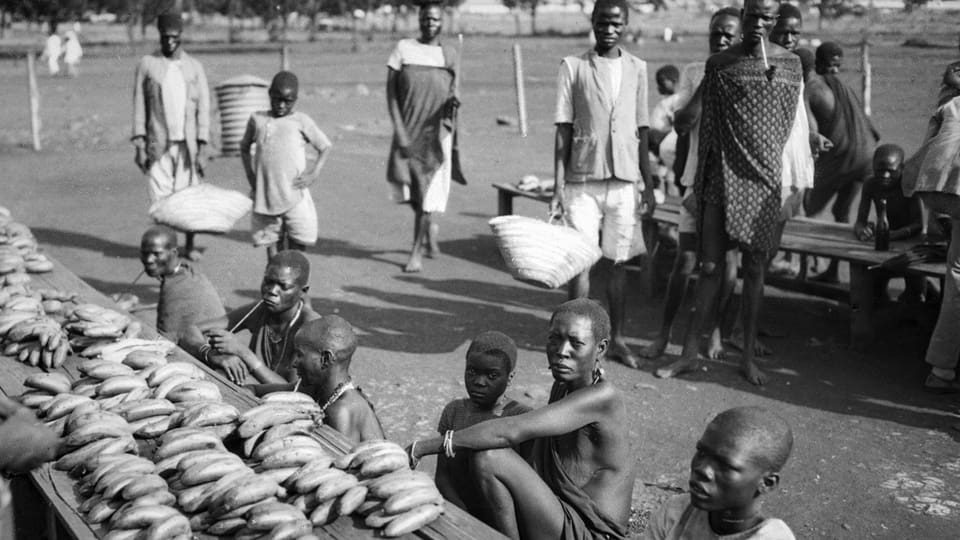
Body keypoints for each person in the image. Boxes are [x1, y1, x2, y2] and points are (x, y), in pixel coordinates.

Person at [658, 0, 805, 386]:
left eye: (766, 18)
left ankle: (746, 358)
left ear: (775, 21)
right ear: (743, 17)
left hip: (763, 181)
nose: (758, 24)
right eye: (752, 16)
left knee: (755, 270)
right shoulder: (720, 64)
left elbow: (784, 129)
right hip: (719, 178)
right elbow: (703, 129)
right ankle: (689, 354)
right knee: (709, 268)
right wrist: (702, 183)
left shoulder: (790, 65)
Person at [407, 298, 636, 540]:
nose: (561, 351)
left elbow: (510, 430)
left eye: (576, 343)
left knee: (490, 456)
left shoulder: (604, 397)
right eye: (554, 339)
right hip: (561, 516)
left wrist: (419, 448)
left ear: (600, 349)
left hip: (591, 534)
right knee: (490, 451)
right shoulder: (563, 387)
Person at [551, 0, 654, 370]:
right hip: (582, 179)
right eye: (602, 22)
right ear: (592, 23)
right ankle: (572, 339)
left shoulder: (638, 69)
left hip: (625, 180)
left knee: (618, 262)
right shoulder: (573, 67)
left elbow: (642, 129)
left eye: (616, 23)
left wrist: (649, 184)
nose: (609, 29)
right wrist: (558, 185)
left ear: (625, 25)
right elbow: (563, 127)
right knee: (582, 263)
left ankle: (618, 338)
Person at [641, 7, 741, 362]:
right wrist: (709, 78)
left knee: (726, 264)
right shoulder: (694, 71)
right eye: (716, 33)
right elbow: (682, 124)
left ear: (742, 36)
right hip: (696, 184)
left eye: (730, 33)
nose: (722, 39)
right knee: (685, 261)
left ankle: (714, 331)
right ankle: (664, 334)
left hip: (733, 186)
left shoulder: (750, 73)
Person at [386, 0, 465, 273]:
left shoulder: (451, 54)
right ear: (418, 20)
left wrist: (453, 104)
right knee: (406, 189)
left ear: (442, 22)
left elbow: (454, 94)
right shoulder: (403, 49)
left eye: (434, 19)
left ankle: (416, 252)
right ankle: (429, 223)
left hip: (435, 134)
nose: (429, 23)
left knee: (424, 191)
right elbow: (391, 94)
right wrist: (399, 130)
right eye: (425, 19)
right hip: (407, 131)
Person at [642, 406, 795, 540]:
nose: (702, 470)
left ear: (767, 483)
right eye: (701, 453)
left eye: (725, 466)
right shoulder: (676, 512)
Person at [132, 12, 210, 261]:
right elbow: (139, 106)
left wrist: (203, 144)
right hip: (159, 143)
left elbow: (204, 109)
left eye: (174, 38)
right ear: (160, 37)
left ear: (181, 37)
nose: (169, 43)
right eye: (165, 38)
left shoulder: (194, 67)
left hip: (187, 145)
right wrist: (140, 143)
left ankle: (189, 245)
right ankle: (166, 247)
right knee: (160, 198)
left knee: (188, 197)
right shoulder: (148, 65)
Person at [431, 331, 532, 523]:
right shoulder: (454, 411)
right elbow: (442, 476)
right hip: (458, 512)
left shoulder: (519, 417)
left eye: (492, 375)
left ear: (510, 377)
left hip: (505, 519)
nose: (479, 382)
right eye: (472, 372)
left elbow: (527, 486)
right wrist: (464, 517)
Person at [179, 250, 320, 388]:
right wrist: (211, 354)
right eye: (268, 282)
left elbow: (294, 390)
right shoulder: (260, 309)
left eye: (283, 286)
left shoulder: (311, 327)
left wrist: (243, 352)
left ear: (303, 291)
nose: (272, 291)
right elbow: (189, 331)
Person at [803, 42, 880, 283]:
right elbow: (870, 128)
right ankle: (833, 272)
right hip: (867, 157)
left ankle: (802, 269)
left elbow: (812, 134)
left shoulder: (811, 88)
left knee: (808, 208)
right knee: (842, 213)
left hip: (843, 158)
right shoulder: (847, 88)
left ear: (816, 64)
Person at [902, 75, 960, 392]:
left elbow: (927, 146)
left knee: (957, 276)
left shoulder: (949, 104)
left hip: (939, 189)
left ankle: (942, 369)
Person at [241, 71, 332, 259]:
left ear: (295, 100)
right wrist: (251, 176)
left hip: (293, 195)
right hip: (266, 196)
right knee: (272, 253)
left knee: (297, 249)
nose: (281, 105)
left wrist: (313, 174)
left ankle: (296, 285)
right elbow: (243, 147)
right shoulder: (258, 120)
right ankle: (274, 282)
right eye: (276, 99)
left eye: (287, 101)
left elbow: (325, 147)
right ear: (269, 95)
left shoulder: (301, 121)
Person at [289, 316, 385, 443]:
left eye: (300, 355)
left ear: (326, 359)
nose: (294, 363)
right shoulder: (318, 389)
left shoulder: (342, 411)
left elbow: (340, 461)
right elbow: (270, 390)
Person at [853, 144, 926, 301]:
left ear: (901, 168)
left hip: (910, 246)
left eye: (891, 171)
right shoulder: (870, 184)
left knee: (915, 294)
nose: (885, 175)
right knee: (872, 288)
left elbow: (919, 225)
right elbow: (860, 221)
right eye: (879, 170)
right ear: (872, 166)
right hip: (884, 245)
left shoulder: (908, 186)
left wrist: (895, 235)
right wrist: (861, 230)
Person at [139, 225, 225, 340]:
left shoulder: (178, 287)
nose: (149, 260)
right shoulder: (185, 271)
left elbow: (166, 340)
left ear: (174, 253)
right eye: (145, 253)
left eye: (157, 254)